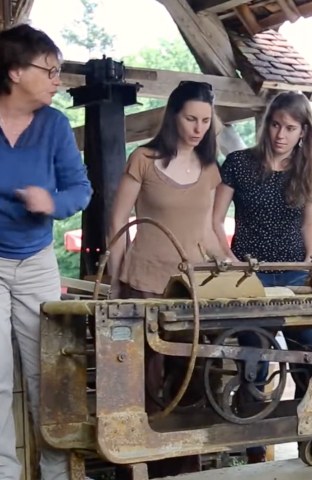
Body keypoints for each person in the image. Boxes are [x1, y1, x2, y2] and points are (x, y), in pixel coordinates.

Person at [107, 81, 226, 478]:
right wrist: (115, 280)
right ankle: (139, 464)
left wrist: (228, 263)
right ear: (173, 114)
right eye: (191, 118)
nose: (198, 127)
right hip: (143, 280)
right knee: (143, 378)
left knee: (190, 379)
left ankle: (184, 469)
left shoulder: (210, 169)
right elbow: (118, 220)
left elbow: (209, 231)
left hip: (191, 289)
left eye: (205, 121)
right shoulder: (143, 158)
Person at [0, 25, 92, 480]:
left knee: (50, 374)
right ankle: (1, 472)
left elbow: (80, 189)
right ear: (14, 72)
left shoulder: (53, 126)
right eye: (49, 69)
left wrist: (53, 203)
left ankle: (57, 472)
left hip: (36, 261)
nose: (57, 79)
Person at [212, 91, 312, 464]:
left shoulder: (308, 171)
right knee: (254, 360)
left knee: (308, 358)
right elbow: (214, 221)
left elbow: (309, 225)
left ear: (303, 132)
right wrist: (230, 260)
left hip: (294, 275)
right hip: (250, 275)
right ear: (266, 124)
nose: (280, 134)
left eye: (290, 127)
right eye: (275, 124)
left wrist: (310, 262)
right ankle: (255, 450)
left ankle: (309, 441)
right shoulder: (239, 163)